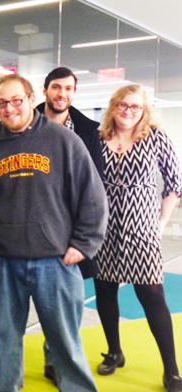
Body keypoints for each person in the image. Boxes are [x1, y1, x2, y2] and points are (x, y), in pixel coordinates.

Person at [0, 74, 107, 392]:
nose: (10, 108)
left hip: (56, 262)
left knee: (65, 346)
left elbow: (93, 196)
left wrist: (84, 244)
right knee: (5, 341)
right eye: (2, 102)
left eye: (17, 100)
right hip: (3, 263)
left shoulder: (63, 141)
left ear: (32, 99)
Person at [94, 84, 182, 392]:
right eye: (123, 105)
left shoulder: (155, 138)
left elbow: (175, 184)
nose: (129, 112)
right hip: (102, 231)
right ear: (113, 106)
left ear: (144, 111)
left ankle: (171, 370)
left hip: (141, 232)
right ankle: (115, 351)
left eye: (136, 107)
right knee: (104, 291)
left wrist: (160, 222)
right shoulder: (99, 138)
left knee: (153, 297)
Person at [36, 66, 105, 384]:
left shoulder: (89, 131)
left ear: (74, 93)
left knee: (65, 304)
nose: (62, 94)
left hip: (71, 234)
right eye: (56, 87)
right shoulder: (25, 122)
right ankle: (9, 367)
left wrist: (86, 236)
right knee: (25, 301)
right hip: (32, 227)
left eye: (68, 88)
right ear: (45, 90)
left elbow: (97, 185)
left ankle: (57, 360)